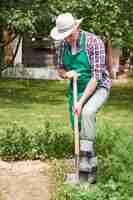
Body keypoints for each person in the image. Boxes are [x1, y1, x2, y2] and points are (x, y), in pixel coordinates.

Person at [50, 13, 112, 183]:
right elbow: (60, 69)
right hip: (77, 86)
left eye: (69, 35)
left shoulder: (94, 42)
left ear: (77, 28)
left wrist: (81, 101)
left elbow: (96, 77)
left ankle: (84, 171)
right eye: (64, 36)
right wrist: (66, 74)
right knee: (77, 124)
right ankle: (89, 164)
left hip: (98, 86)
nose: (67, 39)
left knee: (86, 113)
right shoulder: (63, 45)